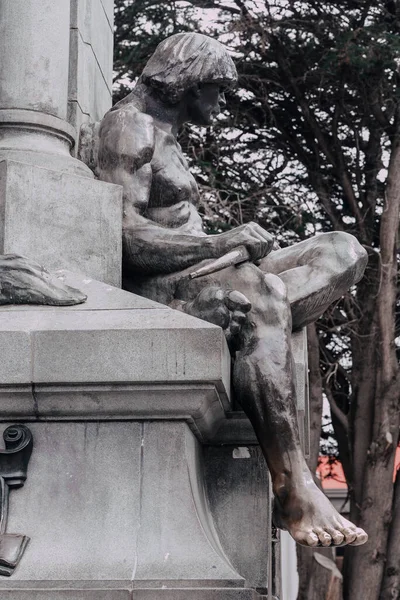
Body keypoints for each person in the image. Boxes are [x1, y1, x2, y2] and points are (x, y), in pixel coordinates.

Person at [98, 32, 368, 548]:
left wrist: (225, 249)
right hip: (166, 283)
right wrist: (222, 242)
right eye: (215, 91)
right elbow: (124, 237)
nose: (219, 105)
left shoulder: (166, 131)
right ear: (186, 83)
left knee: (342, 250)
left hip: (207, 263)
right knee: (262, 293)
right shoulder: (128, 127)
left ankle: (261, 314)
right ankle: (293, 485)